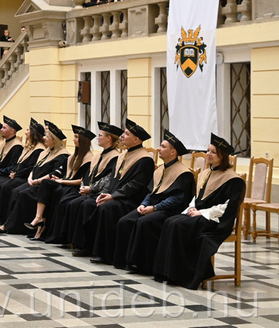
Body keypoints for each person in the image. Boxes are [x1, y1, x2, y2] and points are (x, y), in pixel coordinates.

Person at [153, 134, 246, 289]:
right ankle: (166, 272)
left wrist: (201, 213)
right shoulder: (205, 173)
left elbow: (227, 207)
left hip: (216, 221)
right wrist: (192, 208)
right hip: (199, 215)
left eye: (213, 152)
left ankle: (184, 274)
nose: (208, 154)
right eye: (208, 151)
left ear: (222, 156)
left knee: (179, 226)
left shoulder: (233, 180)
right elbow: (197, 198)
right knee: (170, 221)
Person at [113, 130, 195, 275]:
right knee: (125, 221)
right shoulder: (160, 169)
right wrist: (143, 204)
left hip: (169, 211)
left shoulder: (183, 173)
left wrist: (155, 208)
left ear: (173, 152)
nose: (159, 149)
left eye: (163, 147)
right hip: (152, 207)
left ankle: (143, 265)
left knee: (144, 222)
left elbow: (177, 199)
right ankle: (126, 260)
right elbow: (151, 191)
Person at [73, 119, 154, 262]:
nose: (122, 136)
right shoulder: (123, 155)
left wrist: (113, 196)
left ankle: (105, 253)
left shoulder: (145, 159)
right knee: (88, 203)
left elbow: (134, 185)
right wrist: (104, 193)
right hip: (115, 195)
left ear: (136, 139)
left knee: (107, 208)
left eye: (126, 134)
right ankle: (87, 246)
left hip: (130, 199)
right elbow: (112, 180)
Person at [0, 120, 69, 235]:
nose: (44, 138)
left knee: (22, 193)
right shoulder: (46, 151)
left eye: (47, 137)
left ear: (54, 140)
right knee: (15, 191)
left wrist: (36, 181)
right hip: (33, 181)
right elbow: (34, 168)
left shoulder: (62, 155)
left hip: (44, 185)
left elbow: (55, 173)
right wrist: (30, 178)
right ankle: (8, 223)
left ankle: (13, 226)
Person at [25, 125, 94, 240]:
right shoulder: (73, 156)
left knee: (53, 194)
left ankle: (44, 228)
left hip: (73, 188)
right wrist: (58, 178)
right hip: (64, 184)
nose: (73, 139)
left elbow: (82, 181)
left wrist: (62, 181)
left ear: (83, 140)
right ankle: (39, 218)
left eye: (76, 137)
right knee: (46, 184)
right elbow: (62, 171)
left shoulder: (89, 158)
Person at [0, 118, 45, 226]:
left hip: (24, 177)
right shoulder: (29, 147)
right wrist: (14, 172)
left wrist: (16, 174)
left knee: (6, 186)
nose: (26, 133)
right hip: (17, 175)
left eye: (28, 130)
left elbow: (30, 168)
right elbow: (18, 163)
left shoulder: (39, 149)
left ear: (33, 133)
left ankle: (4, 218)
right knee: (0, 183)